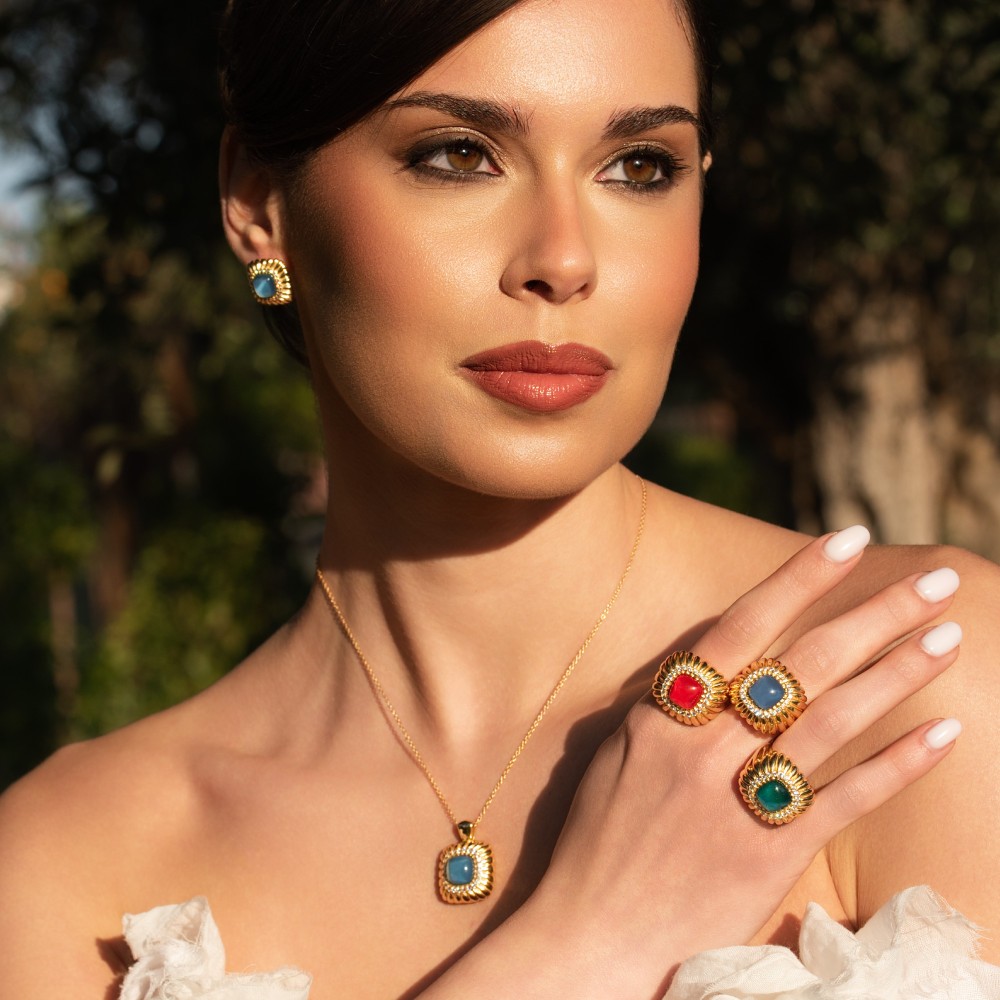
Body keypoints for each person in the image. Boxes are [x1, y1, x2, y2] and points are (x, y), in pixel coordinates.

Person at [1, 0, 999, 997]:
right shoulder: (68, 867)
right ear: (261, 204)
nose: (563, 261)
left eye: (638, 167)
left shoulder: (918, 687)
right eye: (458, 155)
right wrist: (586, 943)